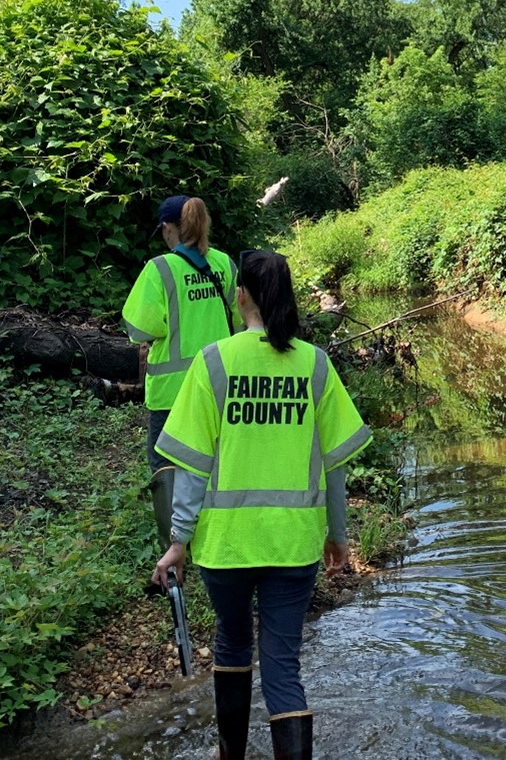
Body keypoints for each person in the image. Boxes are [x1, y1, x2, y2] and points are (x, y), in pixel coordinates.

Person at [151, 249, 371, 760]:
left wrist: (178, 543)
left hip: (226, 547)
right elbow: (333, 463)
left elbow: (192, 466)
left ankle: (230, 756)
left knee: (231, 642)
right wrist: (338, 535)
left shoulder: (213, 362)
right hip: (294, 546)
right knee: (283, 667)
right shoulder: (315, 364)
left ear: (241, 294)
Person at [122, 194, 240, 472]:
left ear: (167, 228)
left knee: (166, 468)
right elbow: (241, 319)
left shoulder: (159, 269)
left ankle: (171, 517)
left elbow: (140, 329)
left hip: (171, 391)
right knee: (214, 463)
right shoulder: (224, 264)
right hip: (220, 383)